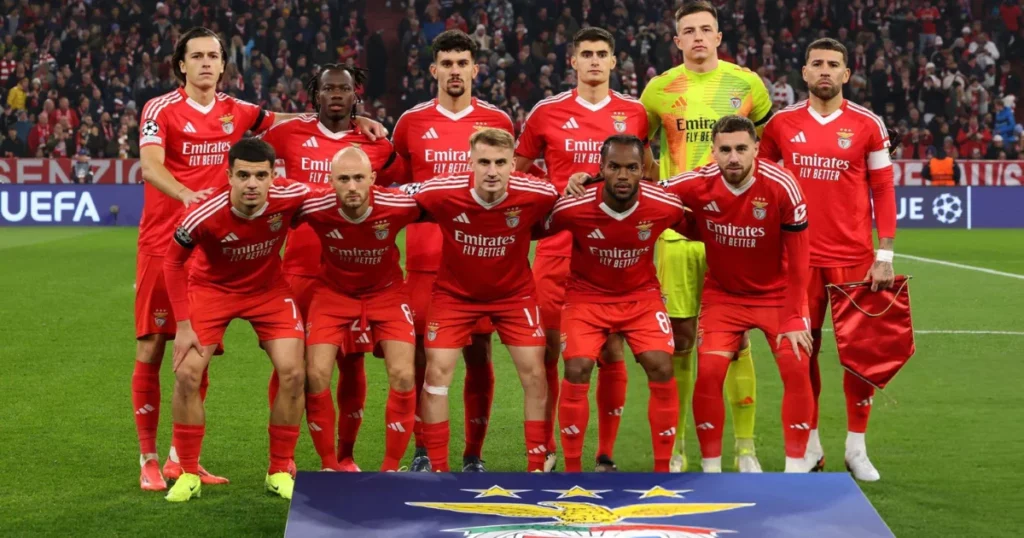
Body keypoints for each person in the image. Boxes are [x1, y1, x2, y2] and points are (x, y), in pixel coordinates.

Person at [133, 26, 388, 491]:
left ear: (224, 64)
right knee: (155, 349)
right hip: (167, 237)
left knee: (201, 361)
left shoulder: (238, 111)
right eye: (198, 56)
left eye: (214, 56)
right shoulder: (161, 108)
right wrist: (189, 196)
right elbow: (149, 166)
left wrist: (356, 119)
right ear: (181, 65)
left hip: (226, 245)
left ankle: (181, 458)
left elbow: (291, 119)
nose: (207, 63)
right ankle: (148, 457)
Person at [639, 1, 774, 472]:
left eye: (706, 30)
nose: (698, 37)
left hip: (733, 232)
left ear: (719, 36)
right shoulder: (658, 91)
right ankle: (676, 450)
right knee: (680, 340)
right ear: (676, 41)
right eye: (688, 31)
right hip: (678, 232)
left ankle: (745, 448)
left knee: (736, 340)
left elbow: (768, 145)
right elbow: (638, 152)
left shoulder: (747, 85)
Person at [513, 27, 651, 471]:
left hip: (614, 250)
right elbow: (519, 172)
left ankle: (605, 453)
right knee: (553, 351)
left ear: (614, 62)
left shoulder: (635, 112)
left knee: (611, 351)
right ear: (572, 61)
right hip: (557, 249)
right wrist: (553, 194)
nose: (594, 61)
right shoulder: (546, 112)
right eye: (586, 54)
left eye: (602, 54)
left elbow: (647, 175)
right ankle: (552, 447)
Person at [759, 38, 898, 481]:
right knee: (804, 355)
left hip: (854, 259)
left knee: (861, 356)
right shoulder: (780, 124)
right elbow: (763, 186)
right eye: (816, 63)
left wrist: (885, 253)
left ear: (846, 74)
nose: (824, 70)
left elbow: (883, 190)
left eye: (832, 64)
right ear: (803, 72)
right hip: (797, 261)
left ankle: (856, 447)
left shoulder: (867, 124)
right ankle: (811, 443)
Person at [260, 64, 405, 471]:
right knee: (290, 365)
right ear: (316, 94)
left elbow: (398, 186)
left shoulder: (375, 142)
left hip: (353, 271)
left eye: (344, 88)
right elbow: (250, 155)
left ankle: (345, 456)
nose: (336, 95)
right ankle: (283, 460)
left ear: (356, 94)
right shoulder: (287, 134)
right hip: (301, 268)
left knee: (352, 362)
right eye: (328, 89)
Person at [391, 30, 515, 473]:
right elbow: (396, 189)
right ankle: (424, 452)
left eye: (463, 63)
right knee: (424, 358)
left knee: (479, 356)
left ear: (475, 69)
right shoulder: (411, 123)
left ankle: (473, 456)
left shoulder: (497, 122)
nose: (455, 70)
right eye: (447, 63)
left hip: (479, 264)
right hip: (425, 263)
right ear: (433, 70)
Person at [161, 139, 313, 502]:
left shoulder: (291, 197)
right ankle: (187, 472)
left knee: (294, 372)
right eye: (243, 175)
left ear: (273, 177)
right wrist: (182, 326)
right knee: (187, 372)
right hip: (212, 289)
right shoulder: (204, 212)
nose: (252, 184)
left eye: (261, 175)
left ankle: (278, 469)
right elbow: (172, 263)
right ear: (228, 175)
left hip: (268, 290)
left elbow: (338, 192)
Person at [662, 115, 815, 473]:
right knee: (710, 372)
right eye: (726, 150)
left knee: (796, 368)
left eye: (742, 149)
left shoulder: (782, 185)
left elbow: (800, 260)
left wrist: (795, 317)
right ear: (713, 152)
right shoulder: (697, 183)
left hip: (778, 296)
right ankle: (711, 470)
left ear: (756, 150)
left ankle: (795, 470)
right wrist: (586, 181)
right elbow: (647, 193)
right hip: (724, 296)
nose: (734, 157)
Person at [405, 128, 557, 472]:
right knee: (437, 374)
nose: (492, 170)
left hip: (514, 296)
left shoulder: (538, 193)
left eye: (501, 162)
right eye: (484, 162)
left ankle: (535, 467)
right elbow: (393, 197)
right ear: (470, 162)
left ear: (513, 165)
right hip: (454, 296)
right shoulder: (440, 191)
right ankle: (440, 471)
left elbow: (567, 204)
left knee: (535, 375)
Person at [541, 135, 682, 472]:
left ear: (642, 169)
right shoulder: (572, 206)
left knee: (662, 365)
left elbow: (699, 227)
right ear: (601, 168)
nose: (623, 175)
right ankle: (573, 471)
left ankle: (662, 471)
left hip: (641, 297)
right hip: (586, 297)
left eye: (632, 168)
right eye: (615, 167)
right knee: (576, 367)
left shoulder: (665, 204)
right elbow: (535, 228)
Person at [294, 147, 418, 472]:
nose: (352, 187)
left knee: (404, 375)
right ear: (330, 181)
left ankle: (390, 469)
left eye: (359, 178)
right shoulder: (314, 205)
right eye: (344, 179)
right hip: (333, 294)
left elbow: (444, 199)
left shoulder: (397, 204)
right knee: (316, 374)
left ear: (373, 179)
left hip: (387, 293)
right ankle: (329, 466)